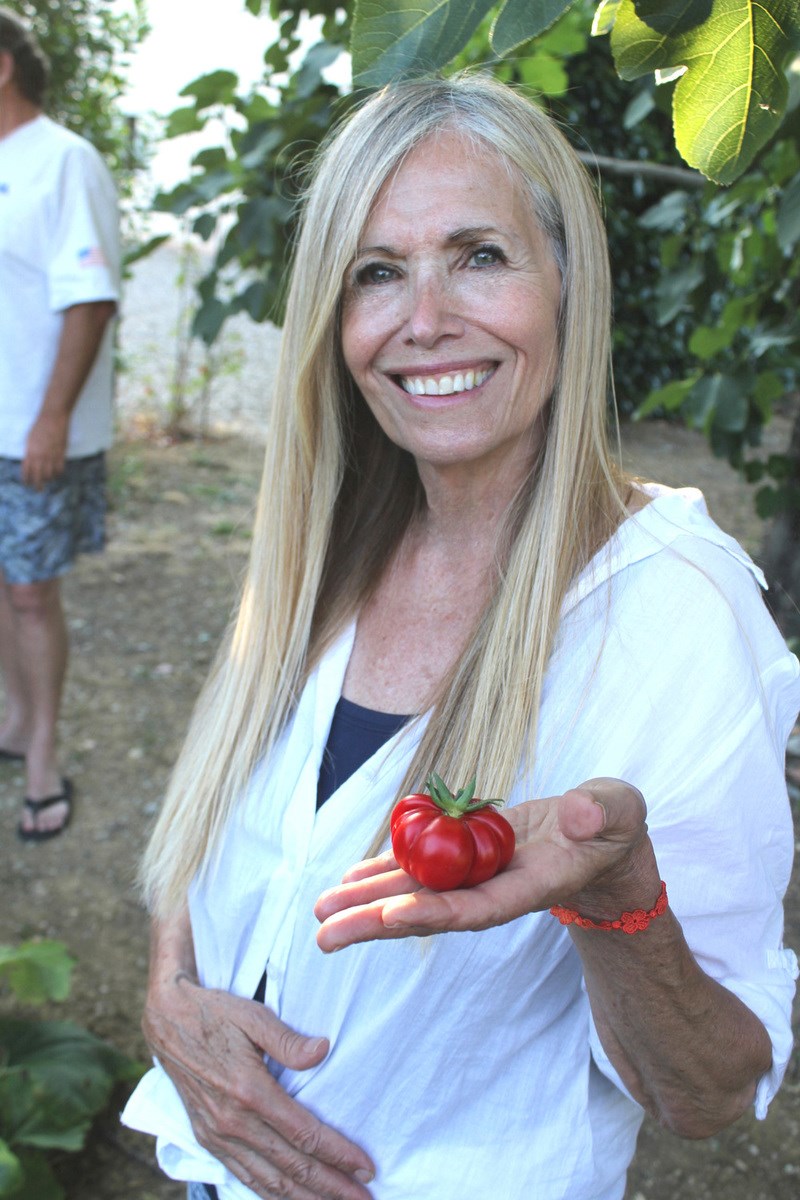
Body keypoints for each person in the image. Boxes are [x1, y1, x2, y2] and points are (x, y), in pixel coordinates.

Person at [121, 75, 800, 1200]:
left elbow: (706, 1091)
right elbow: (213, 814)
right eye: (375, 273)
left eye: (477, 255)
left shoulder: (673, 605)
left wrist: (613, 895)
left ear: (565, 282)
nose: (422, 319)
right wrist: (166, 994)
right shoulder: (327, 540)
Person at [0, 8, 120, 840]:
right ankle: (11, 719)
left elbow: (90, 298)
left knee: (32, 595)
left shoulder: (63, 161)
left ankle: (42, 752)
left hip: (32, 433)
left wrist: (50, 420)